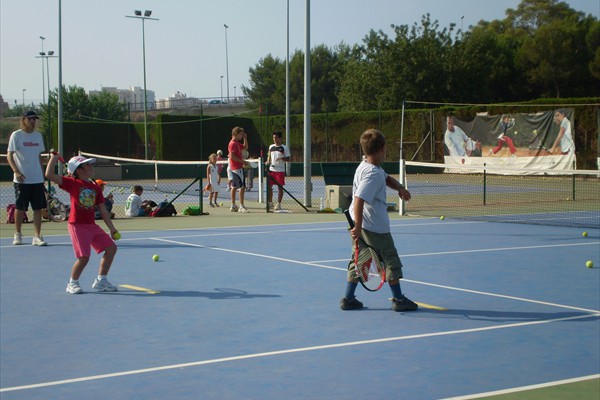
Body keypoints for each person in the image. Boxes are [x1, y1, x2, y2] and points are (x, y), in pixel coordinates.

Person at [340, 128, 418, 312]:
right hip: (373, 227)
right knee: (390, 259)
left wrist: (399, 187)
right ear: (382, 148)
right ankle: (399, 299)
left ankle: (349, 298)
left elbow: (387, 178)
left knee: (360, 260)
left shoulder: (366, 166)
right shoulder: (373, 174)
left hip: (359, 224)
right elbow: (358, 199)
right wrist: (358, 226)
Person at [45, 154, 119, 294]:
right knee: (84, 257)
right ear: (79, 170)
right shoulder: (72, 183)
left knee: (111, 248)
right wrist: (54, 158)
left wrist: (112, 229)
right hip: (77, 225)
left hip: (91, 226)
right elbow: (48, 174)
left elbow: (103, 210)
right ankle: (72, 283)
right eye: (87, 164)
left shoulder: (95, 188)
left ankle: (101, 280)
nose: (91, 166)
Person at [6, 111, 47, 246]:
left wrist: (42, 176)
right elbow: (9, 156)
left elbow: (39, 157)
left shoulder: (38, 136)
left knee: (37, 208)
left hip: (37, 179)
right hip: (22, 180)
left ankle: (37, 236)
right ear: (24, 120)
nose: (33, 121)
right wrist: (16, 171)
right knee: (20, 208)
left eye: (34, 119)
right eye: (30, 119)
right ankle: (18, 234)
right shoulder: (16, 135)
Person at [266, 131, 291, 211]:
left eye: (276, 137)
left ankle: (278, 204)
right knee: (269, 187)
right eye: (273, 137)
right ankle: (270, 203)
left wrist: (281, 158)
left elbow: (288, 159)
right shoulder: (271, 147)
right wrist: (268, 161)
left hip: (280, 171)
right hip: (271, 170)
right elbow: (269, 156)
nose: (274, 139)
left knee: (280, 188)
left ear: (280, 138)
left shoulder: (284, 147)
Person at [228, 126, 249, 213]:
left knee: (234, 186)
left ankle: (233, 205)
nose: (242, 135)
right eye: (241, 134)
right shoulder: (233, 144)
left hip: (235, 167)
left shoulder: (236, 143)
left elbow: (245, 147)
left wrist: (245, 138)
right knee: (242, 187)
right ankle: (241, 206)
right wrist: (242, 161)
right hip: (237, 168)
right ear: (236, 134)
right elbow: (232, 156)